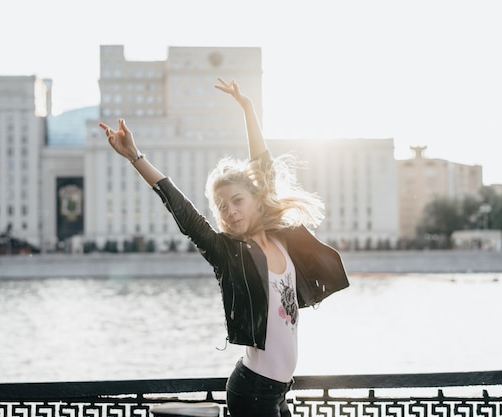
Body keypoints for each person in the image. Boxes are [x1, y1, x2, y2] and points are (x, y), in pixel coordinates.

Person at [99, 77, 349, 417]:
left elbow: (264, 165)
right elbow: (183, 211)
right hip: (253, 392)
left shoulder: (281, 237)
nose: (230, 211)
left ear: (257, 199)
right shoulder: (229, 254)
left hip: (278, 393)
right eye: (222, 206)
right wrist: (135, 156)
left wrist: (247, 108)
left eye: (237, 200)